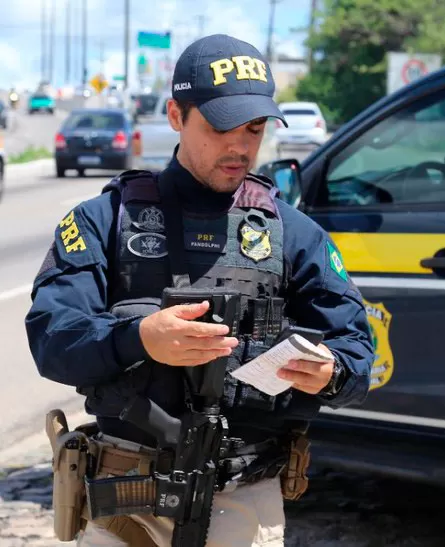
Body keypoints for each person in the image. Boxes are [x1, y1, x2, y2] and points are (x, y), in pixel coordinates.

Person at [25, 33, 374, 547]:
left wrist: (329, 372)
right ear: (175, 115)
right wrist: (139, 338)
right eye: (219, 127)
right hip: (126, 500)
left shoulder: (295, 234)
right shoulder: (102, 221)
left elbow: (358, 355)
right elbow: (52, 339)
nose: (240, 146)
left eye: (255, 128)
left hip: (244, 501)